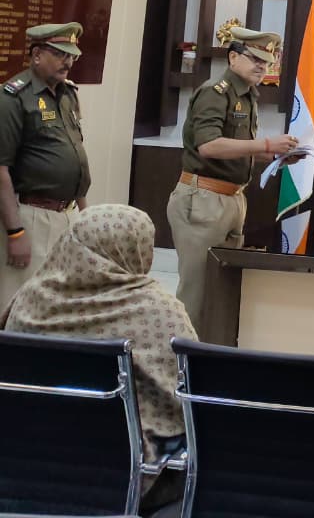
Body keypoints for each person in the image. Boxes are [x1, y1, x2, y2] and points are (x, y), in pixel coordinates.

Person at [2, 204, 195, 512]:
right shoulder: (160, 312)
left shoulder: (28, 300)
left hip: (26, 467)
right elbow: (187, 399)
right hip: (125, 477)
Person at [166, 28, 298, 333]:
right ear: (233, 57)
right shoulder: (216, 92)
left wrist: (276, 155)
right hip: (203, 201)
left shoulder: (247, 95)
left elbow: (237, 149)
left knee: (224, 290)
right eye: (255, 59)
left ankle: (213, 354)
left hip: (232, 199)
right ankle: (181, 358)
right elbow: (209, 146)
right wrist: (267, 144)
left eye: (267, 61)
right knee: (197, 294)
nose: (262, 66)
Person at [0, 22, 92, 309]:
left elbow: (76, 158)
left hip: (68, 215)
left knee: (60, 305)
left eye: (71, 55)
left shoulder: (68, 95)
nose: (68, 62)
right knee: (21, 306)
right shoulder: (13, 98)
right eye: (60, 54)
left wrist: (86, 218)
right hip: (31, 217)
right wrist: (15, 232)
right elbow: (1, 170)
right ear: (37, 55)